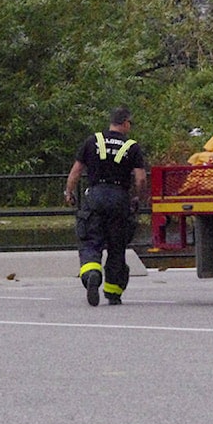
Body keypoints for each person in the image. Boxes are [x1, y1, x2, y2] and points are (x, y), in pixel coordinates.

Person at [65, 106, 147, 306]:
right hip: (119, 199)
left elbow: (75, 172)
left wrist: (69, 193)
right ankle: (113, 292)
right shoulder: (132, 146)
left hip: (95, 196)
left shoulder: (92, 141)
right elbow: (141, 179)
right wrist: (138, 198)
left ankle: (92, 274)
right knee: (117, 247)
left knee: (91, 241)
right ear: (125, 123)